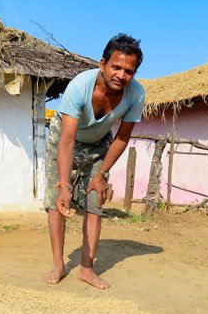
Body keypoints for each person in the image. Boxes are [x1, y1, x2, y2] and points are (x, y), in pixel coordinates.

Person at [44, 34, 146, 290]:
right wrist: (65, 184)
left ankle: (86, 269)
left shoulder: (136, 95)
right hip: (65, 137)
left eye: (128, 71)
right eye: (116, 67)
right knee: (57, 201)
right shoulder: (80, 86)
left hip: (100, 143)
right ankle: (58, 264)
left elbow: (122, 138)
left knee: (94, 204)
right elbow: (66, 142)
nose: (121, 75)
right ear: (103, 64)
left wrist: (101, 173)